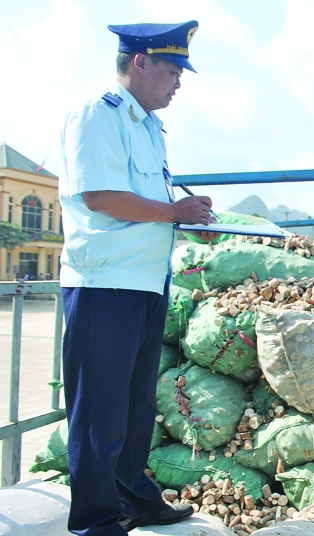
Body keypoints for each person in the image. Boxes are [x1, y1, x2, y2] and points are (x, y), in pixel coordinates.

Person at [59, 21, 216, 535]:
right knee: (99, 411)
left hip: (145, 284)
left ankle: (132, 497)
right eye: (172, 71)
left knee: (135, 407)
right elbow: (100, 197)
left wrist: (187, 219)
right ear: (140, 63)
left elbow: (149, 207)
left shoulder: (147, 127)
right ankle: (96, 521)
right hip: (103, 285)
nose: (178, 83)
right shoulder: (98, 116)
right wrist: (175, 212)